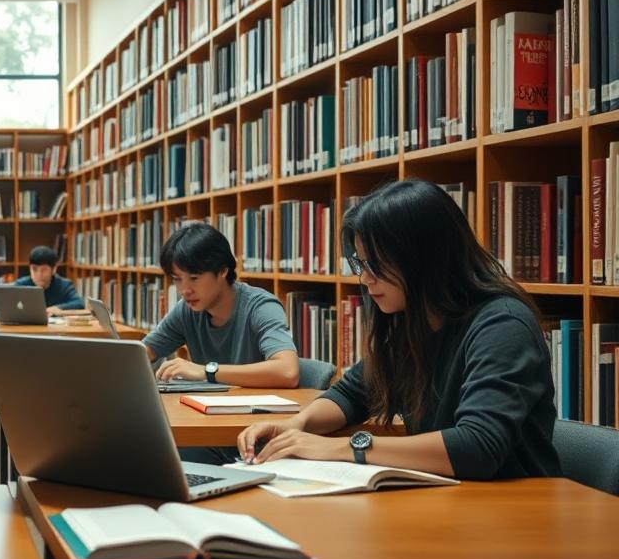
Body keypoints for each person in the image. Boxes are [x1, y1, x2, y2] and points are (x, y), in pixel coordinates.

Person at [237, 179, 561, 480]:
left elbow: (477, 446)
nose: (365, 279)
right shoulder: (416, 321)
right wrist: (296, 425)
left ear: (423, 259)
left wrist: (341, 447)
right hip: (446, 503)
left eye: (375, 265)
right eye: (361, 265)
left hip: (512, 513)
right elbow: (353, 392)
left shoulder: (502, 325)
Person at [142, 222, 300, 465]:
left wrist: (207, 371)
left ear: (223, 270)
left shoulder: (260, 306)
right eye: (177, 279)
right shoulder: (187, 310)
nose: (185, 289)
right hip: (208, 432)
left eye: (194, 278)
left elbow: (287, 371)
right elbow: (144, 353)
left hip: (256, 441)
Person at [14, 245, 84, 312]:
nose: (39, 274)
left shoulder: (64, 285)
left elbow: (79, 304)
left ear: (54, 269)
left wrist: (58, 308)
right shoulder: (21, 284)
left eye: (44, 270)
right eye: (34, 269)